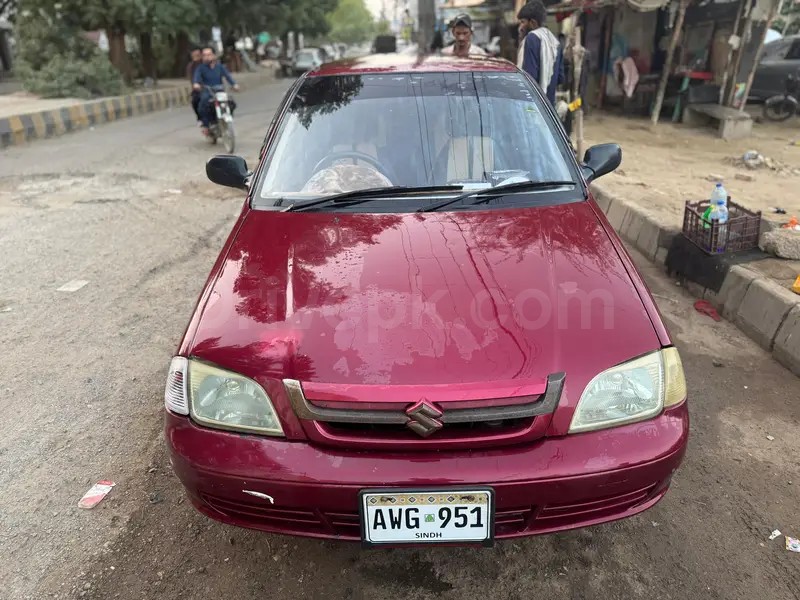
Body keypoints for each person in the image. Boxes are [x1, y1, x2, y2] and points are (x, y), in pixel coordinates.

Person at [517, 0, 563, 105]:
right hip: (549, 107)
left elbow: (529, 76)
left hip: (533, 105)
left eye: (523, 22)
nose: (520, 27)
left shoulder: (531, 38)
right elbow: (560, 78)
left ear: (533, 23)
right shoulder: (556, 42)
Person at [193, 46, 239, 136]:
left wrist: (234, 85)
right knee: (203, 104)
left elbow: (228, 76)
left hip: (220, 90)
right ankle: (206, 125)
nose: (207, 57)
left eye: (209, 55)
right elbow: (196, 78)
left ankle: (226, 119)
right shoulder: (200, 68)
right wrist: (196, 84)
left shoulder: (220, 67)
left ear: (214, 55)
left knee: (231, 103)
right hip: (208, 91)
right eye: (204, 55)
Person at [186, 47, 203, 124]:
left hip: (211, 86)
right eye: (194, 55)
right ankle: (200, 118)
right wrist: (196, 85)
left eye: (198, 55)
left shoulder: (206, 63)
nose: (197, 57)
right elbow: (192, 79)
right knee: (194, 101)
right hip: (198, 88)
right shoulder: (191, 66)